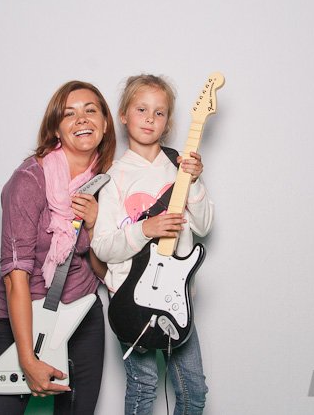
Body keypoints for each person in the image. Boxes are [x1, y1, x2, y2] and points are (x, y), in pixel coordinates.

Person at [0, 80, 116, 415]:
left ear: (105, 123)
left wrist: (94, 225)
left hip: (82, 318)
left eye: (90, 110)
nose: (82, 119)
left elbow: (103, 271)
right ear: (55, 128)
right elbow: (15, 277)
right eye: (69, 114)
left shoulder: (109, 183)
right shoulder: (29, 180)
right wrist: (27, 359)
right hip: (24, 319)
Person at [91, 74, 214, 414]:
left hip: (176, 299)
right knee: (143, 388)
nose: (150, 118)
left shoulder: (179, 167)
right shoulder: (112, 177)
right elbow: (102, 247)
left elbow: (204, 225)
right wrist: (146, 229)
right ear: (123, 115)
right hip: (130, 297)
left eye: (159, 113)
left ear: (168, 121)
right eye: (141, 109)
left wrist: (195, 181)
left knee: (193, 392)